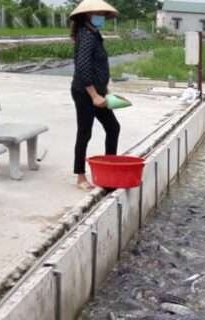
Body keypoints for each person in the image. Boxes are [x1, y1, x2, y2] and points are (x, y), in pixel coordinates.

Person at [69, 0, 121, 191]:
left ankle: (109, 169)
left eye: (102, 13)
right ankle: (80, 177)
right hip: (84, 93)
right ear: (87, 16)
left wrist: (104, 91)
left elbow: (98, 65)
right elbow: (82, 68)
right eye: (97, 13)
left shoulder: (94, 34)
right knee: (85, 132)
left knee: (113, 127)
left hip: (98, 92)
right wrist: (94, 96)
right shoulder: (87, 35)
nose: (101, 17)